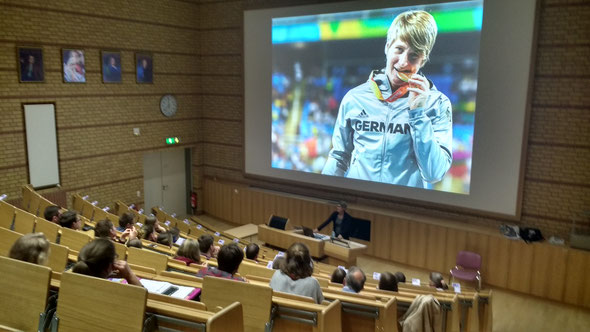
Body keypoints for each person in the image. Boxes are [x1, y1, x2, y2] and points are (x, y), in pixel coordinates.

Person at [321, 10, 452, 188]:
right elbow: (339, 157)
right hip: (357, 203)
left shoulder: (437, 103)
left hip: (401, 210)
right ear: (387, 47)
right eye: (399, 49)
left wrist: (418, 115)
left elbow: (434, 174)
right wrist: (324, 196)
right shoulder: (354, 98)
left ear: (423, 59)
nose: (404, 62)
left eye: (414, 55)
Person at [73, 238, 141, 286]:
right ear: (108, 267)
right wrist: (129, 275)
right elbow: (141, 299)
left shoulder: (70, 282)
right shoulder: (113, 292)